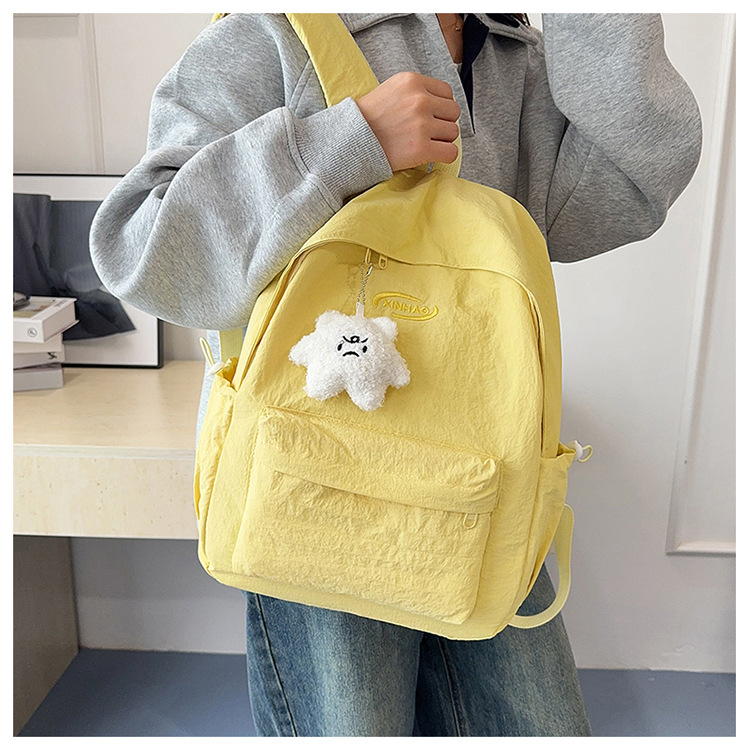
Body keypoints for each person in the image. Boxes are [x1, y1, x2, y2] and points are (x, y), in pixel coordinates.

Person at [90, 13, 702, 737]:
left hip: (478, 480)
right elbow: (145, 253)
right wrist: (348, 143)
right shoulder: (277, 29)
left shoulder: (507, 50)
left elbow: (626, 190)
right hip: (318, 487)